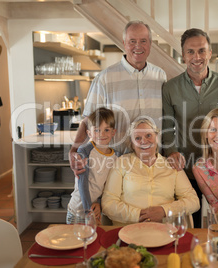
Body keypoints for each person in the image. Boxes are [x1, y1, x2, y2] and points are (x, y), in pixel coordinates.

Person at [162, 28, 218, 227]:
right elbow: (167, 127)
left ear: (210, 53)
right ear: (183, 55)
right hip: (186, 170)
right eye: (190, 52)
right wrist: (171, 152)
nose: (197, 57)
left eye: (202, 51)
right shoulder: (170, 88)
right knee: (189, 226)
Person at [69, 20, 167, 177]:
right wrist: (74, 150)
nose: (138, 46)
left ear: (150, 44)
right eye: (132, 41)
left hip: (154, 163)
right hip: (117, 166)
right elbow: (89, 119)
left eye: (143, 41)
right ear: (124, 43)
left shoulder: (160, 76)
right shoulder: (104, 78)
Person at [101, 117, 199, 226]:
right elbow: (108, 204)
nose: (144, 141)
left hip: (165, 231)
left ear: (156, 138)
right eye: (137, 138)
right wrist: (139, 215)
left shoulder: (171, 164)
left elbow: (193, 201)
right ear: (132, 144)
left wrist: (164, 211)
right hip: (128, 230)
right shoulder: (122, 163)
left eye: (148, 135)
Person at [66, 107, 118, 224]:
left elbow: (105, 186)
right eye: (97, 130)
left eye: (107, 130)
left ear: (113, 132)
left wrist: (98, 204)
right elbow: (82, 183)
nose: (102, 134)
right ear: (89, 133)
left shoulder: (114, 157)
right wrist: (88, 212)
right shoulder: (84, 151)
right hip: (78, 211)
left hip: (94, 211)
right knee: (77, 241)